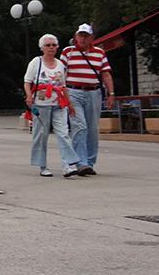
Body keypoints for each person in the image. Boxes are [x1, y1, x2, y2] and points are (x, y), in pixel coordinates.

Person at [60, 23, 115, 176]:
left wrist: (111, 93)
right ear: (75, 36)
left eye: (86, 36)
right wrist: (62, 93)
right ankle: (80, 163)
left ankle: (90, 162)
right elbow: (60, 73)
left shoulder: (99, 53)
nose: (83, 39)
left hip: (94, 92)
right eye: (80, 35)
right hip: (73, 92)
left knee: (92, 128)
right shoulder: (68, 52)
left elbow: (106, 74)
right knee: (80, 126)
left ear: (92, 38)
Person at [23, 34, 79, 178]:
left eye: (54, 45)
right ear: (42, 47)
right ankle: (42, 166)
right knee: (41, 135)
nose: (51, 48)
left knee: (63, 133)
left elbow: (63, 86)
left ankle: (68, 165)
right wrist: (29, 96)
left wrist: (69, 104)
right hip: (41, 104)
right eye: (48, 45)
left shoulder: (60, 64)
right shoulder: (36, 62)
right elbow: (27, 82)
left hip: (59, 104)